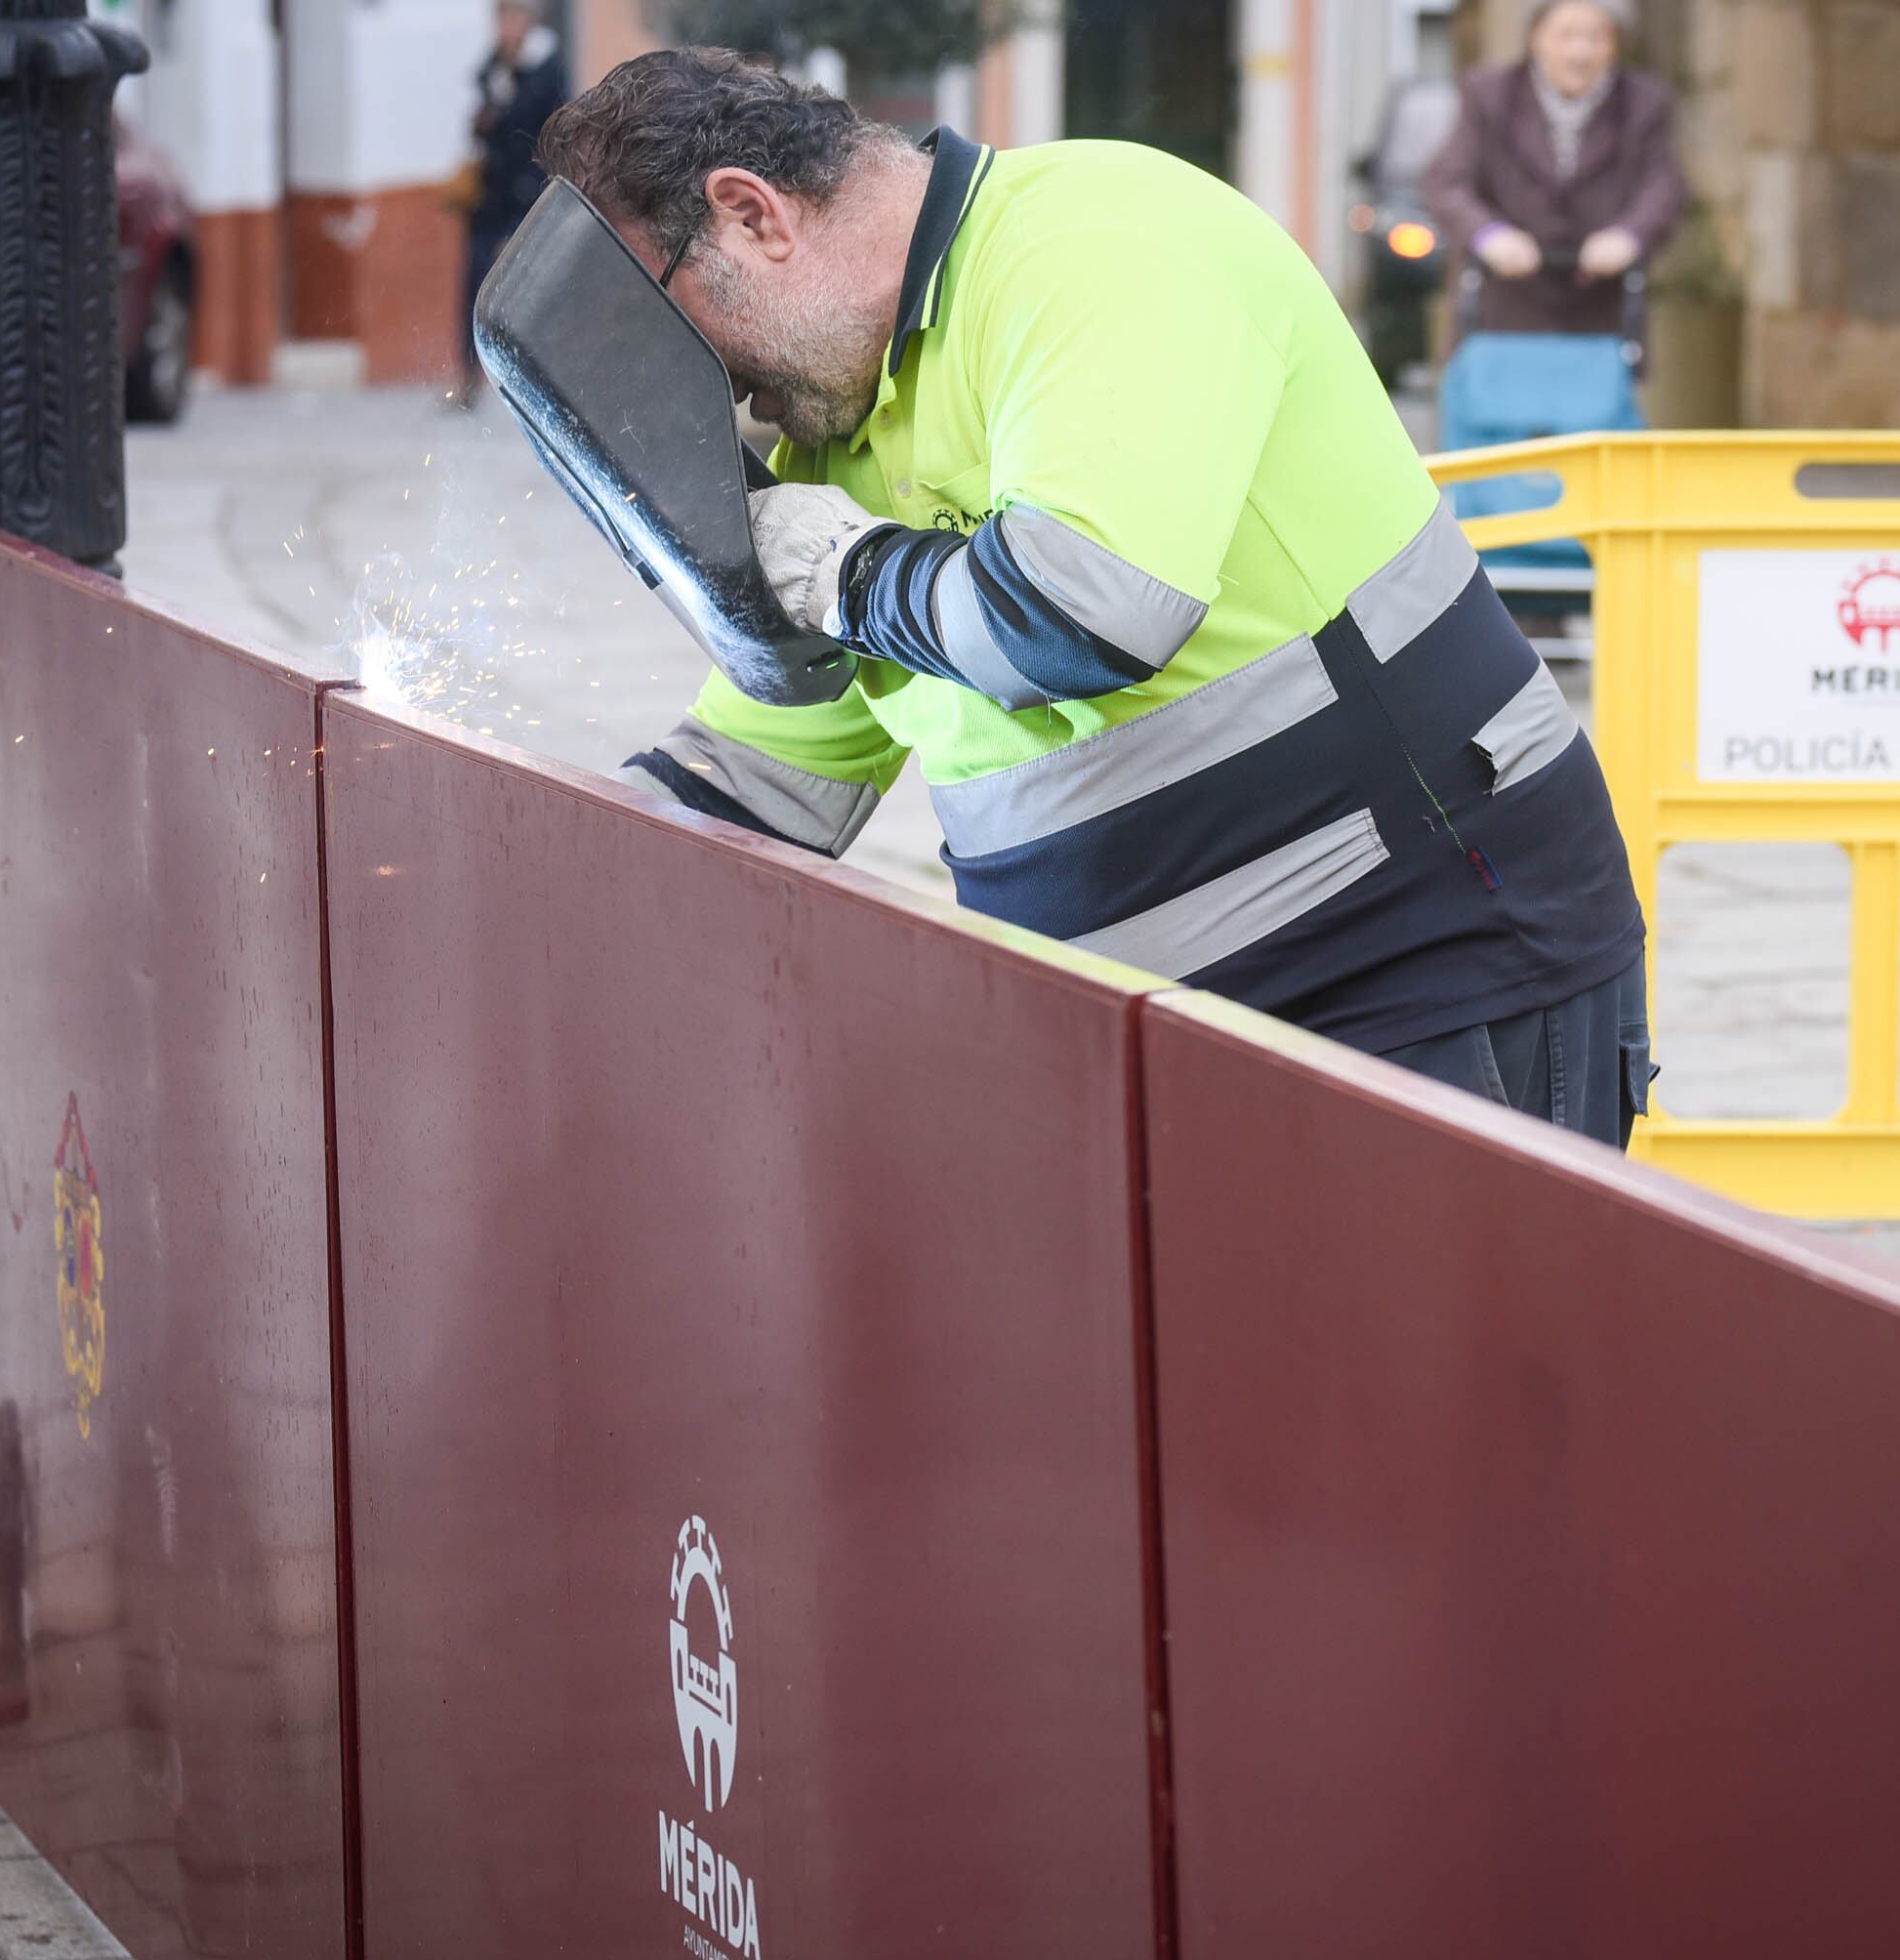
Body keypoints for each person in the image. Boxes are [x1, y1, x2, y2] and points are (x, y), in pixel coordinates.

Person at [532, 50, 1655, 1146]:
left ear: (752, 216)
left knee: (1442, 1344)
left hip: (1421, 974)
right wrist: (533, 875)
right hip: (1149, 1037)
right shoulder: (843, 428)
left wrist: (844, 570)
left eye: (673, 332)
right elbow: (755, 780)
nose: (710, 390)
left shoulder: (1092, 244)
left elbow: (1087, 614)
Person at [1422, 0, 1685, 491]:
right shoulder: (1489, 94)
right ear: (1537, 37)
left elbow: (1663, 188)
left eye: (1595, 36)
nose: (1579, 51)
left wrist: (1627, 236)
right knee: (1494, 437)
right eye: (1566, 34)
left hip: (1596, 308)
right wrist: (1489, 235)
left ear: (1615, 44)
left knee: (1594, 432)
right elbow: (1447, 182)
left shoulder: (1646, 103)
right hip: (1504, 304)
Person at [462, 0, 567, 400]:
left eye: (513, 17)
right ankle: (467, 375)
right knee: (474, 281)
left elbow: (546, 128)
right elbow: (483, 121)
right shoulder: (493, 65)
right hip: (490, 194)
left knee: (526, 291)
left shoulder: (546, 66)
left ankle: (532, 378)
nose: (506, 27)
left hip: (527, 196)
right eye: (501, 18)